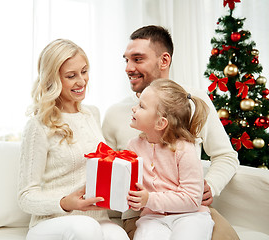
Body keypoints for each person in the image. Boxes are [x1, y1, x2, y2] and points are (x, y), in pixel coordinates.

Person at [102, 25, 240, 240]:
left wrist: (210, 186)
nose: (128, 68)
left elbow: (226, 155)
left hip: (189, 209)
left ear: (164, 60)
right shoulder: (116, 114)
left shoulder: (193, 100)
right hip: (142, 215)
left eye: (137, 59)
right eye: (126, 60)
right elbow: (107, 173)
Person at [18, 39, 129, 240]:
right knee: (85, 228)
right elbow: (25, 196)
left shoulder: (91, 115)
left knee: (118, 235)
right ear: (53, 80)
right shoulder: (39, 125)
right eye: (71, 76)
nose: (82, 81)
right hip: (51, 223)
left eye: (84, 71)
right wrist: (64, 203)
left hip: (95, 218)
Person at [127, 78, 214, 239]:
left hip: (190, 215)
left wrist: (149, 199)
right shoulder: (133, 146)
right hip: (152, 218)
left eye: (141, 106)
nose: (134, 109)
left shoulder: (184, 149)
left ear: (160, 123)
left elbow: (192, 199)